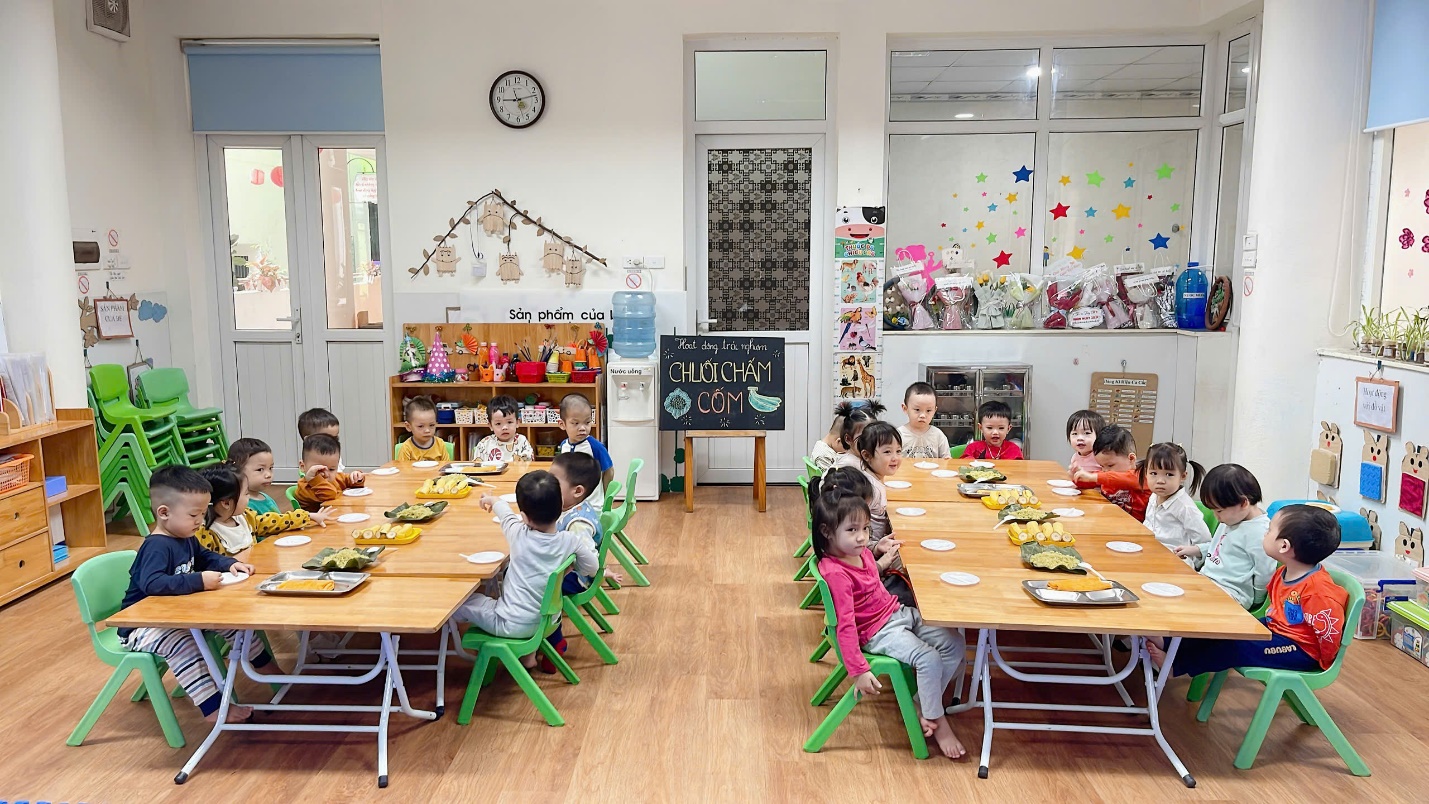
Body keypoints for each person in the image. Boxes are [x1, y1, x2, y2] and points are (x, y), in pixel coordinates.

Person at [812, 484, 967, 760]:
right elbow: (845, 625)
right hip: (877, 632)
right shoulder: (836, 573)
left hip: (896, 613)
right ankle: (937, 720)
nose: (861, 538)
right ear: (826, 532)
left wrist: (884, 558)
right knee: (928, 659)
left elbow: (873, 582)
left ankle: (922, 703)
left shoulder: (859, 554)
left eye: (865, 529)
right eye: (852, 530)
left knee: (955, 643)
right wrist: (858, 670)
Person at [118, 466, 275, 724]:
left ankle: (267, 669)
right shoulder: (157, 546)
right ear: (164, 513)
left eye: (203, 513)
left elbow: (203, 556)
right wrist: (198, 580)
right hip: (141, 625)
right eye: (194, 515)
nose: (200, 521)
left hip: (175, 615)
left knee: (236, 625)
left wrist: (228, 564)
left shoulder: (185, 536)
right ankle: (213, 708)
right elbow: (153, 584)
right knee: (183, 645)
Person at [1150, 505, 1348, 676]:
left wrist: (1323, 661)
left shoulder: (1318, 590)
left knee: (1235, 646)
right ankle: (1167, 643)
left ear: (1284, 546)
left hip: (1300, 649)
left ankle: (1176, 667)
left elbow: (1329, 630)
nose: (1264, 533)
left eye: (1269, 530)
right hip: (1276, 629)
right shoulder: (1284, 572)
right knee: (1224, 629)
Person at [456, 471, 599, 663]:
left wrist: (492, 499)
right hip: (549, 622)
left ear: (524, 516)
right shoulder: (570, 541)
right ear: (560, 507)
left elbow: (506, 514)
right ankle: (528, 656)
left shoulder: (518, 534)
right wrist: (575, 568)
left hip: (510, 624)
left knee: (462, 602)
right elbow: (592, 567)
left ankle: (454, 646)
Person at [539, 452, 622, 670]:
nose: (547, 485)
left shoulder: (578, 523)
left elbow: (588, 557)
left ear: (577, 491)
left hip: (576, 577)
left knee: (539, 591)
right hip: (565, 570)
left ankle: (553, 641)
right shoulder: (567, 507)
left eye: (554, 482)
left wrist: (601, 573)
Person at [1175, 464, 1277, 610]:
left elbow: (1265, 572)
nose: (1216, 516)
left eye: (1219, 511)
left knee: (1182, 604)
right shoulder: (1232, 518)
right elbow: (1221, 548)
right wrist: (1198, 550)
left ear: (1243, 503)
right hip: (1209, 581)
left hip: (1233, 594)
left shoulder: (1260, 533)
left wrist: (1257, 602)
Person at [195, 464, 332, 555]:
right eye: (246, 494)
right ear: (226, 503)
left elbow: (273, 521)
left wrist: (308, 516)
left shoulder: (246, 517)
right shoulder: (206, 533)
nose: (249, 498)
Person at [1139, 443, 1211, 559]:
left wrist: (1191, 557)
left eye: (1169, 474)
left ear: (1183, 476)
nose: (1160, 481)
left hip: (1175, 560)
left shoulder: (1184, 507)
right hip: (1150, 552)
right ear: (1146, 473)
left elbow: (1206, 543)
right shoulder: (1154, 496)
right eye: (1154, 473)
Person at [1075, 425, 1150, 522]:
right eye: (1102, 466)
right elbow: (1087, 482)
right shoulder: (1106, 475)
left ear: (1131, 459)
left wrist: (1093, 477)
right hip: (1108, 520)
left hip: (1133, 527)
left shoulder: (1140, 476)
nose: (1105, 470)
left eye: (1110, 465)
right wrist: (1077, 478)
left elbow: (1113, 478)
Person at [294, 433, 365, 512]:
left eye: (331, 469)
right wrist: (315, 480)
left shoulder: (335, 478)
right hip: (317, 523)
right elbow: (329, 495)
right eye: (319, 470)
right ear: (303, 466)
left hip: (336, 516)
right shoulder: (304, 489)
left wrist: (356, 478)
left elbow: (347, 480)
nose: (326, 474)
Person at [557, 393, 614, 491]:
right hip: (571, 500)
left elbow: (609, 471)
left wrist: (605, 497)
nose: (582, 428)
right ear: (562, 424)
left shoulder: (595, 447)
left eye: (587, 422)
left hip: (592, 503)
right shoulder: (564, 445)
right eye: (575, 423)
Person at [473, 395, 535, 463]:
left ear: (517, 423)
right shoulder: (484, 444)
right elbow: (477, 466)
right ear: (490, 425)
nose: (504, 427)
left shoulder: (521, 441)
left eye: (509, 422)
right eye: (498, 424)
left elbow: (529, 464)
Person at [899, 382, 951, 460]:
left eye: (928, 410)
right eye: (917, 410)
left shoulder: (938, 435)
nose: (923, 415)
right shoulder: (898, 435)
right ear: (905, 408)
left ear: (935, 410)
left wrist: (947, 460)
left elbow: (946, 460)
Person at [228, 437, 279, 515]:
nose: (268, 475)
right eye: (260, 469)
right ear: (237, 470)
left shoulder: (265, 497)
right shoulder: (244, 506)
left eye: (270, 468)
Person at [831, 400, 885, 468]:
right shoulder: (848, 464)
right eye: (864, 437)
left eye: (875, 435)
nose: (871, 441)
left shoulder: (863, 460)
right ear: (848, 439)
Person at [395, 396, 449, 462]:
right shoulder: (406, 448)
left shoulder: (440, 444)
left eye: (431, 425)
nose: (427, 430)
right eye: (421, 426)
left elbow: (446, 467)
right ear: (408, 427)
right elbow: (403, 470)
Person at [1065, 409, 1107, 485]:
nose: (1079, 438)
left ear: (1099, 436)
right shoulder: (1075, 457)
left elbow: (1108, 477)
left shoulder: (1101, 456)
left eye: (1087, 433)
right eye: (1074, 434)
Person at [810, 401, 856, 471]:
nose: (848, 451)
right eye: (847, 448)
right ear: (839, 441)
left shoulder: (822, 446)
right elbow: (829, 479)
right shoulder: (824, 456)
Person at [298, 407, 345, 472]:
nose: (333, 443)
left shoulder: (334, 455)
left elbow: (341, 476)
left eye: (336, 438)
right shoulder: (309, 463)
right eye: (326, 440)